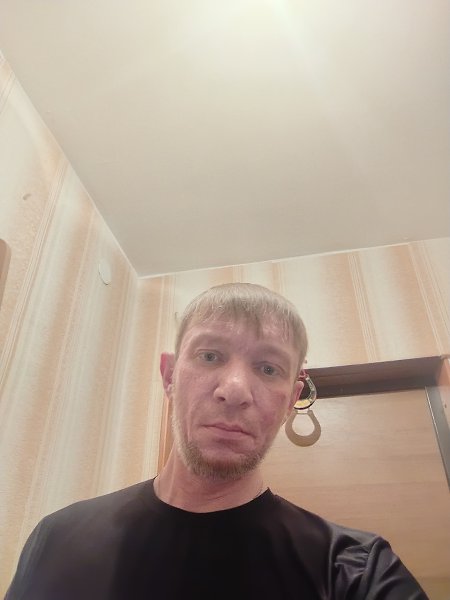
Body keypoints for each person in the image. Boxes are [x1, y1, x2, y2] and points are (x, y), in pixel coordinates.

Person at [5, 283, 428, 599]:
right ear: (170, 376)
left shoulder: (356, 571)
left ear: (290, 400)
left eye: (268, 368)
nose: (235, 390)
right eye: (210, 356)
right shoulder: (56, 537)